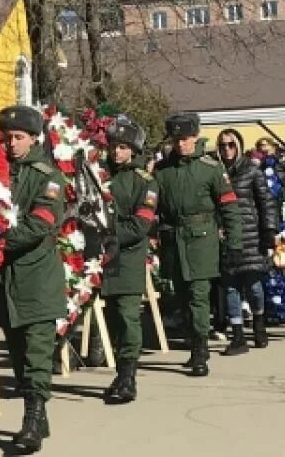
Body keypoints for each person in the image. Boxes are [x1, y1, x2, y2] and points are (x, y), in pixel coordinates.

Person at [0, 105, 66, 454]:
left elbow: (40, 223)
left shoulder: (48, 176)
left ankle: (31, 422)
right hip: (6, 282)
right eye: (6, 138)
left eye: (18, 138)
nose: (11, 144)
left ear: (34, 138)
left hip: (36, 276)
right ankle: (39, 413)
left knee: (36, 352)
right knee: (18, 353)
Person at [154, 112, 242, 377]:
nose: (182, 144)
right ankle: (193, 341)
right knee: (180, 296)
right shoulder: (162, 171)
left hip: (202, 238)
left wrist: (234, 243)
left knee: (199, 296)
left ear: (195, 137)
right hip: (173, 239)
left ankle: (200, 352)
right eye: (176, 139)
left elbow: (229, 207)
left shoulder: (211, 168)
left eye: (186, 138)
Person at [101, 117, 157, 405]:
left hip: (129, 255)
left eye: (123, 147)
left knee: (127, 315)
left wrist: (109, 236)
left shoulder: (144, 182)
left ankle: (128, 377)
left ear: (133, 150)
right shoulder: (101, 176)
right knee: (111, 316)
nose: (117, 152)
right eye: (113, 146)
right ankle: (119, 372)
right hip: (105, 258)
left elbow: (140, 225)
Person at [215, 129, 277, 355]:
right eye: (222, 145)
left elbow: (266, 202)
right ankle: (238, 335)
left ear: (239, 146)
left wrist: (269, 230)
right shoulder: (215, 171)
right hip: (226, 237)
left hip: (251, 235)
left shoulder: (251, 171)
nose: (227, 149)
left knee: (253, 286)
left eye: (231, 144)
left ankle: (259, 322)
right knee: (230, 286)